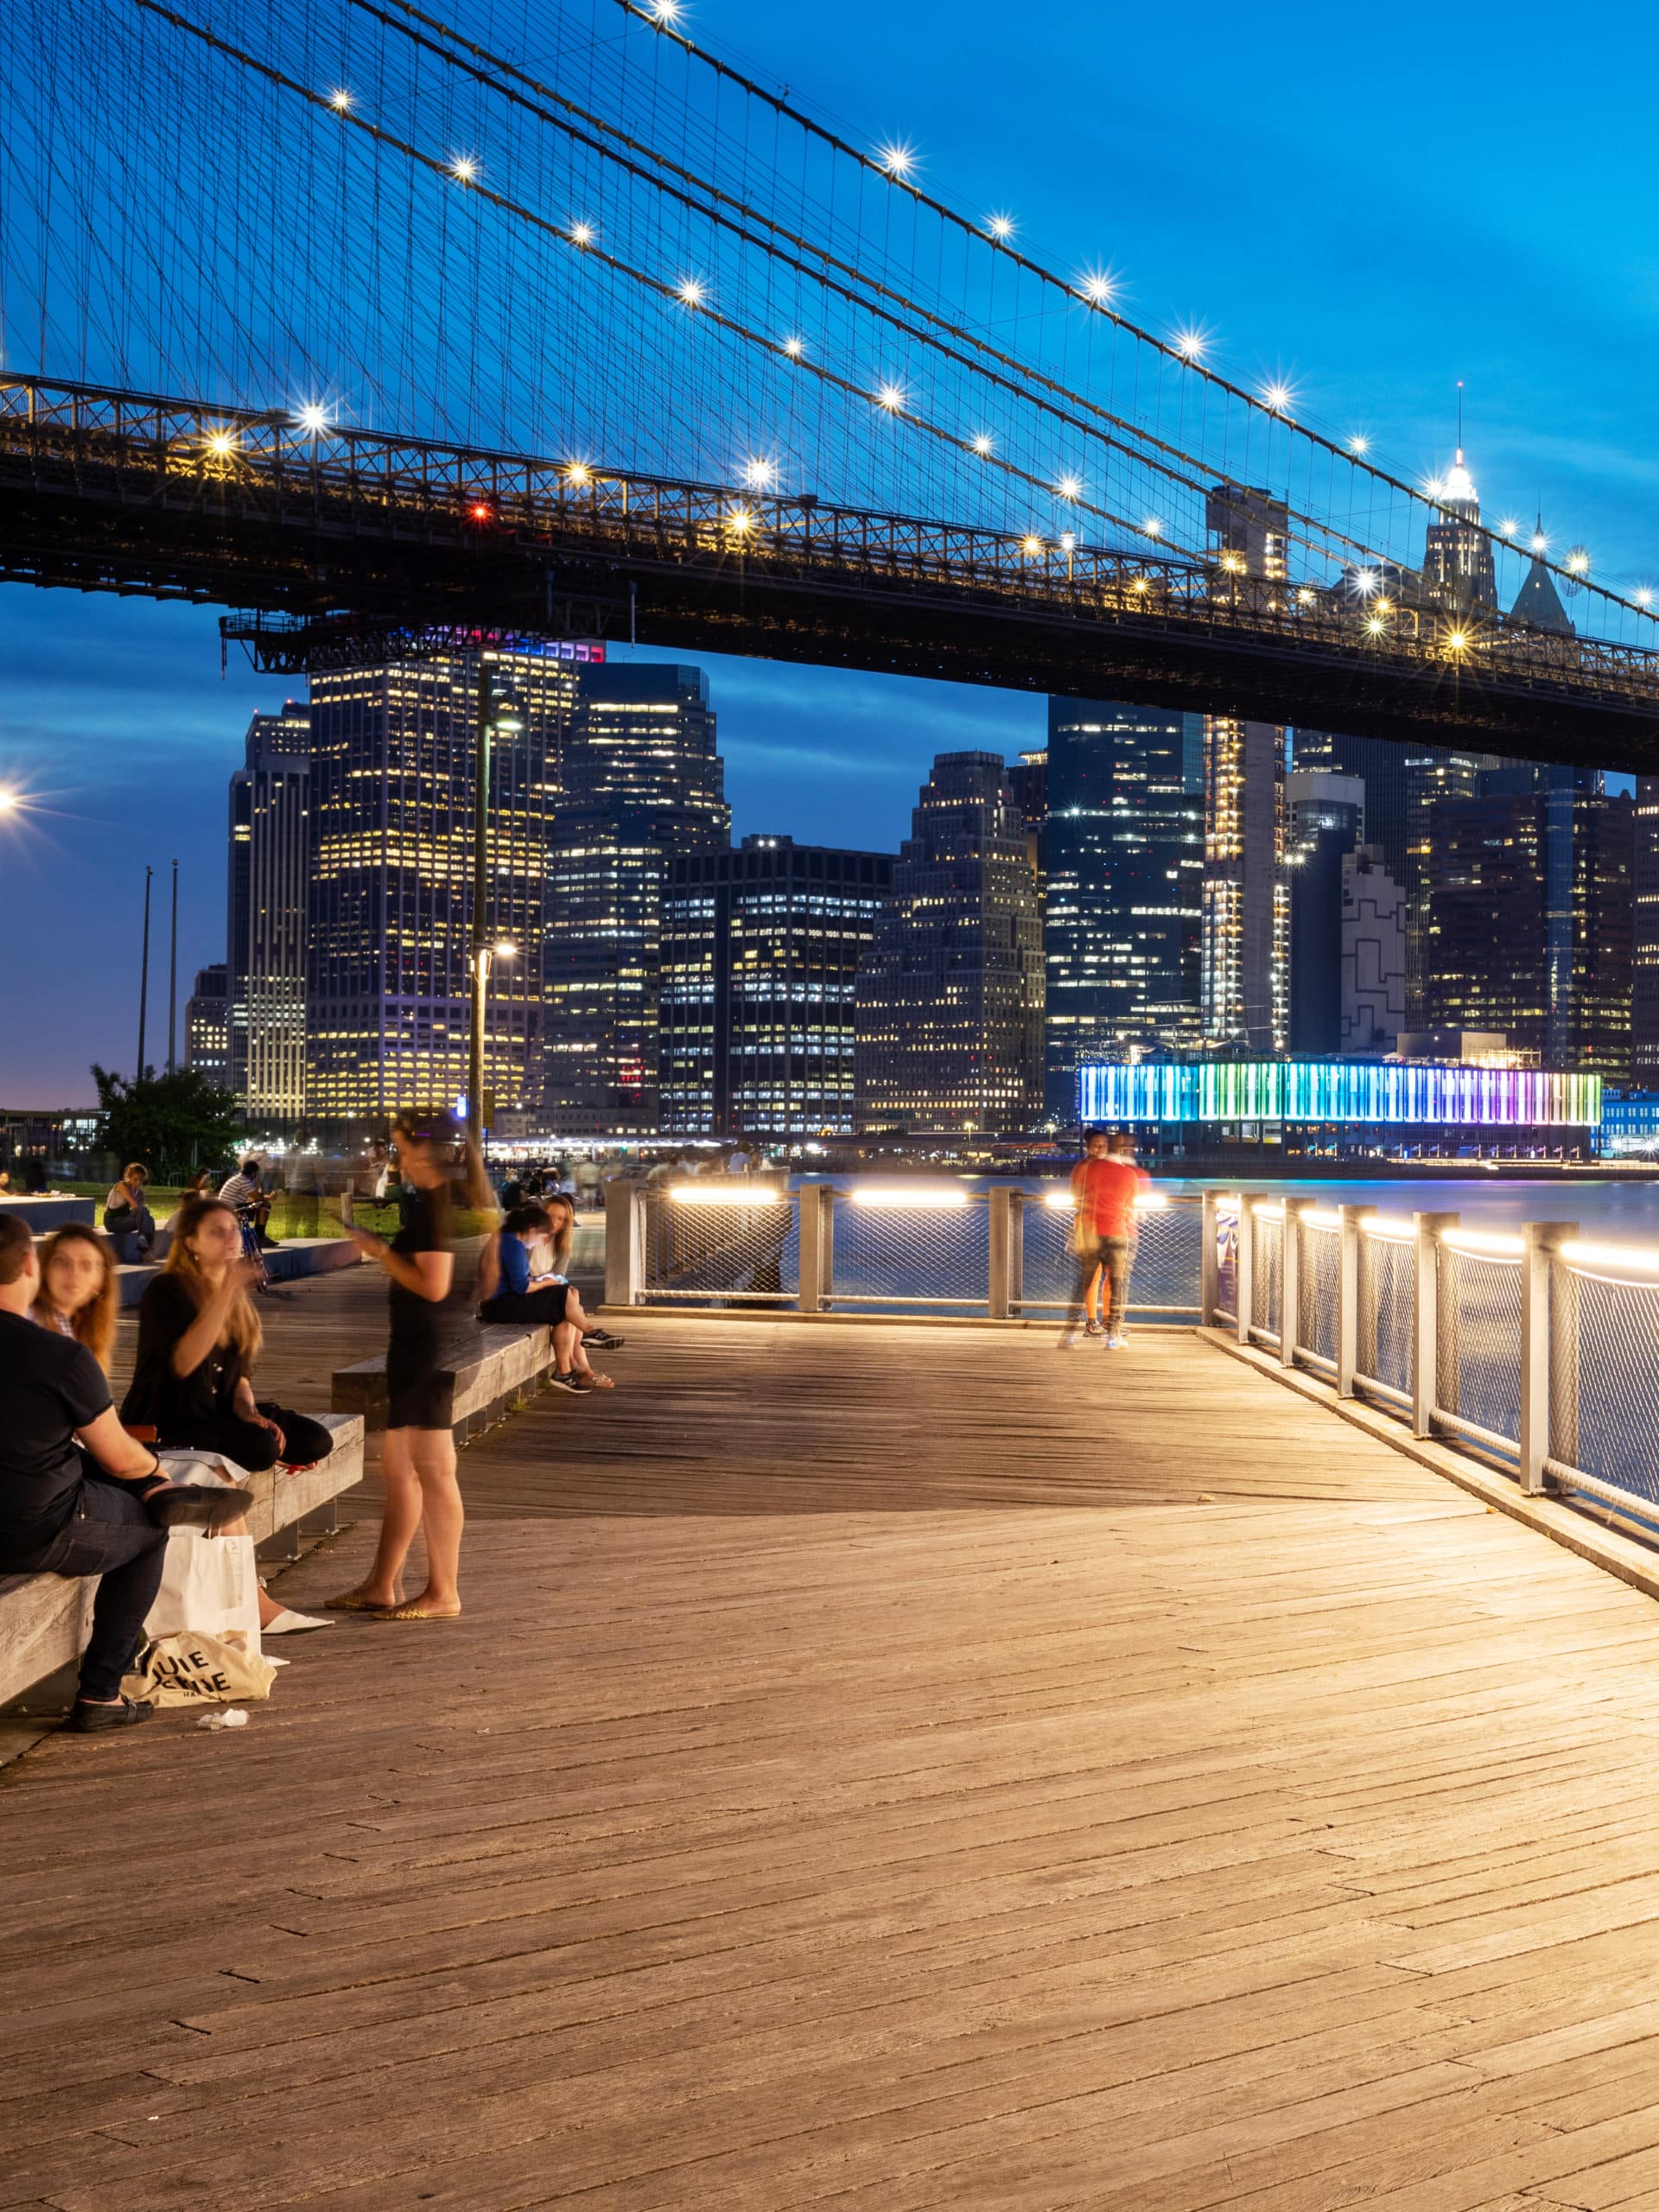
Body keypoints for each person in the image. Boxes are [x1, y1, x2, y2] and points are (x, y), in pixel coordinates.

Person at [0, 1214, 250, 1732]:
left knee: (90, 1469)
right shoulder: (58, 1356)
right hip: (27, 1529)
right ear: (30, 1264)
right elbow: (120, 1456)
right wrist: (154, 1471)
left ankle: (161, 1490)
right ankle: (100, 1694)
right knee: (148, 1527)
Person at [120, 1198, 334, 1635]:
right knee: (255, 1450)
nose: (232, 1238)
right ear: (192, 1243)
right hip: (172, 1418)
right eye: (217, 1232)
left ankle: (256, 1446)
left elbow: (238, 1379)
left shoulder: (235, 1301)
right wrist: (227, 1292)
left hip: (220, 1412)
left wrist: (253, 1414)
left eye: (234, 1229)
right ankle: (255, 1603)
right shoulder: (168, 1291)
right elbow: (183, 1364)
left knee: (312, 1439)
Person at [328, 1114, 469, 1622]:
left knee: (432, 1471)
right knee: (400, 1470)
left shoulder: (434, 1209)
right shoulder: (426, 1204)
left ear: (424, 1153)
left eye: (401, 1149)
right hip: (411, 1349)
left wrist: (379, 1250)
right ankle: (382, 1584)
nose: (396, 1158)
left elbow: (433, 1285)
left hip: (425, 1353)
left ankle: (443, 1592)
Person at [477, 1203, 616, 1391]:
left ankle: (565, 1373)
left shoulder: (510, 1240)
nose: (540, 1240)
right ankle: (590, 1333)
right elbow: (522, 1287)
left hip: (503, 1302)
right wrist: (546, 1283)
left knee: (563, 1308)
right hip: (498, 1306)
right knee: (561, 1296)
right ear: (532, 1229)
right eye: (541, 1235)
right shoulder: (512, 1243)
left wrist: (542, 1279)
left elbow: (520, 1281)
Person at [1060, 1129, 1148, 1350]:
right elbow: (1132, 1203)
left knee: (1087, 1280)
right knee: (1114, 1281)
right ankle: (1107, 1330)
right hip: (1114, 1231)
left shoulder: (1089, 1169)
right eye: (1096, 1145)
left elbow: (1078, 1195)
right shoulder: (1128, 1174)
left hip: (1092, 1231)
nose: (1100, 1149)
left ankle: (1074, 1331)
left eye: (1104, 1145)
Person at [31, 1223, 118, 1374]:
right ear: (45, 1269)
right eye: (61, 1262)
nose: (74, 1273)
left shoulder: (81, 1329)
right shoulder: (31, 1323)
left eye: (86, 1264)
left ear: (101, 1278)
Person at [104, 1161, 157, 1261]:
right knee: (144, 1213)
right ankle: (144, 1250)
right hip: (113, 1221)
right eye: (135, 1179)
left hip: (126, 1220)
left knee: (150, 1220)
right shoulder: (121, 1186)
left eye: (141, 1180)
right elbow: (134, 1205)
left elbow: (139, 1214)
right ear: (129, 1176)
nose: (138, 1183)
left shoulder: (140, 1194)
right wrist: (140, 1209)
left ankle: (147, 1249)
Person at [219, 1157, 275, 1246]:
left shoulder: (239, 1178)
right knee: (265, 1205)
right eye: (257, 1173)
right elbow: (258, 1197)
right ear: (253, 1172)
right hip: (232, 1210)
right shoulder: (244, 1181)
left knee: (260, 1203)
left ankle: (259, 1236)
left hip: (227, 1208)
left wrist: (267, 1197)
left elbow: (252, 1198)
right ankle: (259, 1237)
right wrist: (259, 1186)